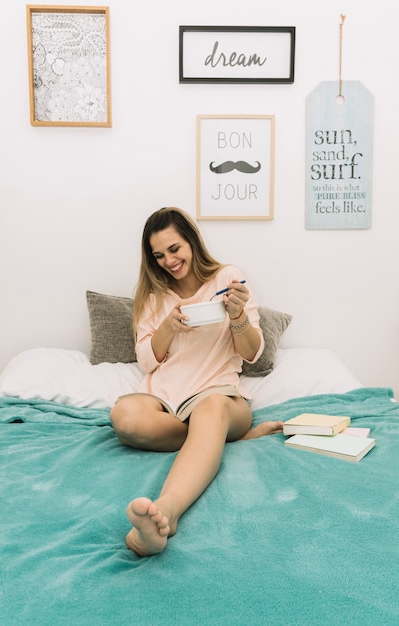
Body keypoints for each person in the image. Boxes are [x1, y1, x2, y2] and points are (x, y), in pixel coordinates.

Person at [110, 207, 283, 557]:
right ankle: (219, 443)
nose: (168, 261)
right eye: (158, 255)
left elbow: (252, 353)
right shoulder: (153, 296)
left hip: (219, 395)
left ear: (191, 241)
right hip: (166, 397)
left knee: (212, 408)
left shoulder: (227, 278)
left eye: (174, 249)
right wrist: (168, 328)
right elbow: (146, 358)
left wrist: (236, 315)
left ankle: (167, 513)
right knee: (124, 415)